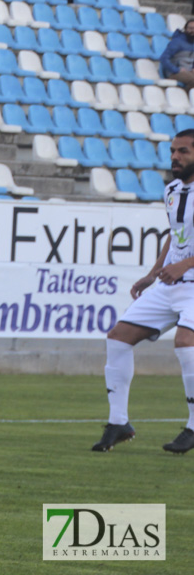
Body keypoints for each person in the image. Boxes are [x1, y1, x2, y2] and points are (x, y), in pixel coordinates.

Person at [93, 128, 194, 454]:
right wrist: (153, 274)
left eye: (183, 152)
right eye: (173, 151)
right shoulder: (172, 191)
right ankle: (118, 422)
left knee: (185, 344)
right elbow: (175, 235)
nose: (175, 158)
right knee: (118, 337)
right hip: (170, 283)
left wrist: (185, 265)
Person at [160, 19, 194, 88]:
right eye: (190, 28)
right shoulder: (177, 42)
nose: (192, 31)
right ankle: (186, 96)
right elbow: (163, 58)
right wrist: (176, 69)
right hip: (174, 73)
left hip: (188, 71)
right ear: (185, 29)